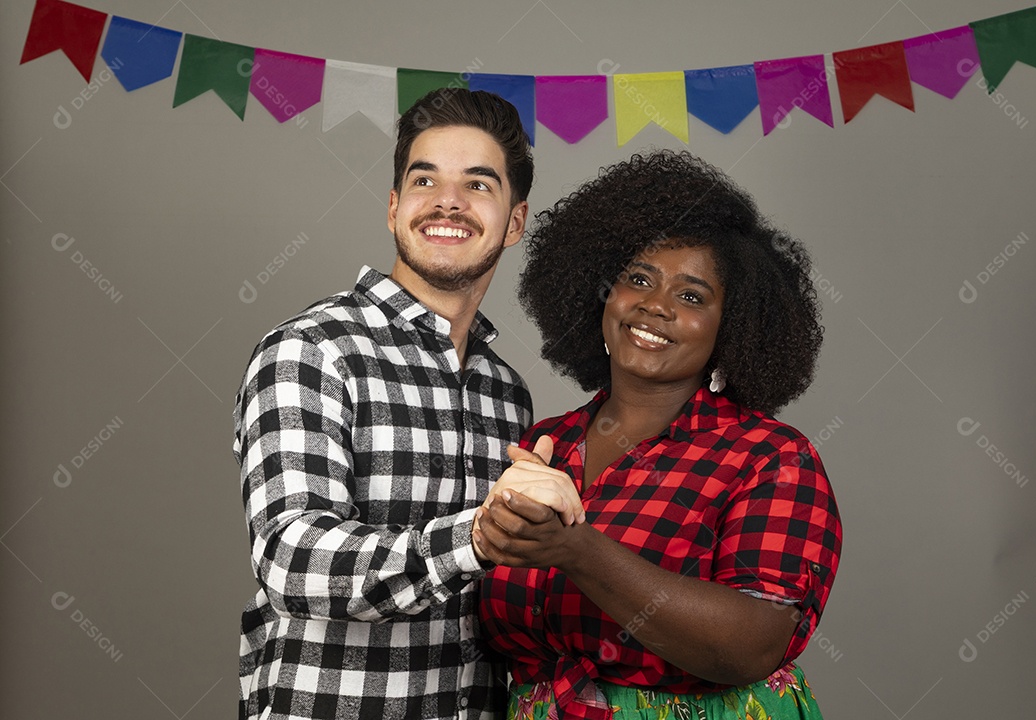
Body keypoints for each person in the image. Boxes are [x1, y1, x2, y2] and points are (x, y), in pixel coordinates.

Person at [233, 88, 583, 720]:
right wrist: (474, 538)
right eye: (425, 180)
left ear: (516, 221)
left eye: (478, 185)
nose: (447, 200)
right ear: (395, 208)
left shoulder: (507, 392)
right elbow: (294, 559)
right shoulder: (312, 351)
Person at [474, 150, 843, 720]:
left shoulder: (771, 458)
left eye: (691, 296)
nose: (655, 305)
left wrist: (576, 549)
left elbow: (751, 646)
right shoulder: (545, 445)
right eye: (638, 280)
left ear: (734, 326)